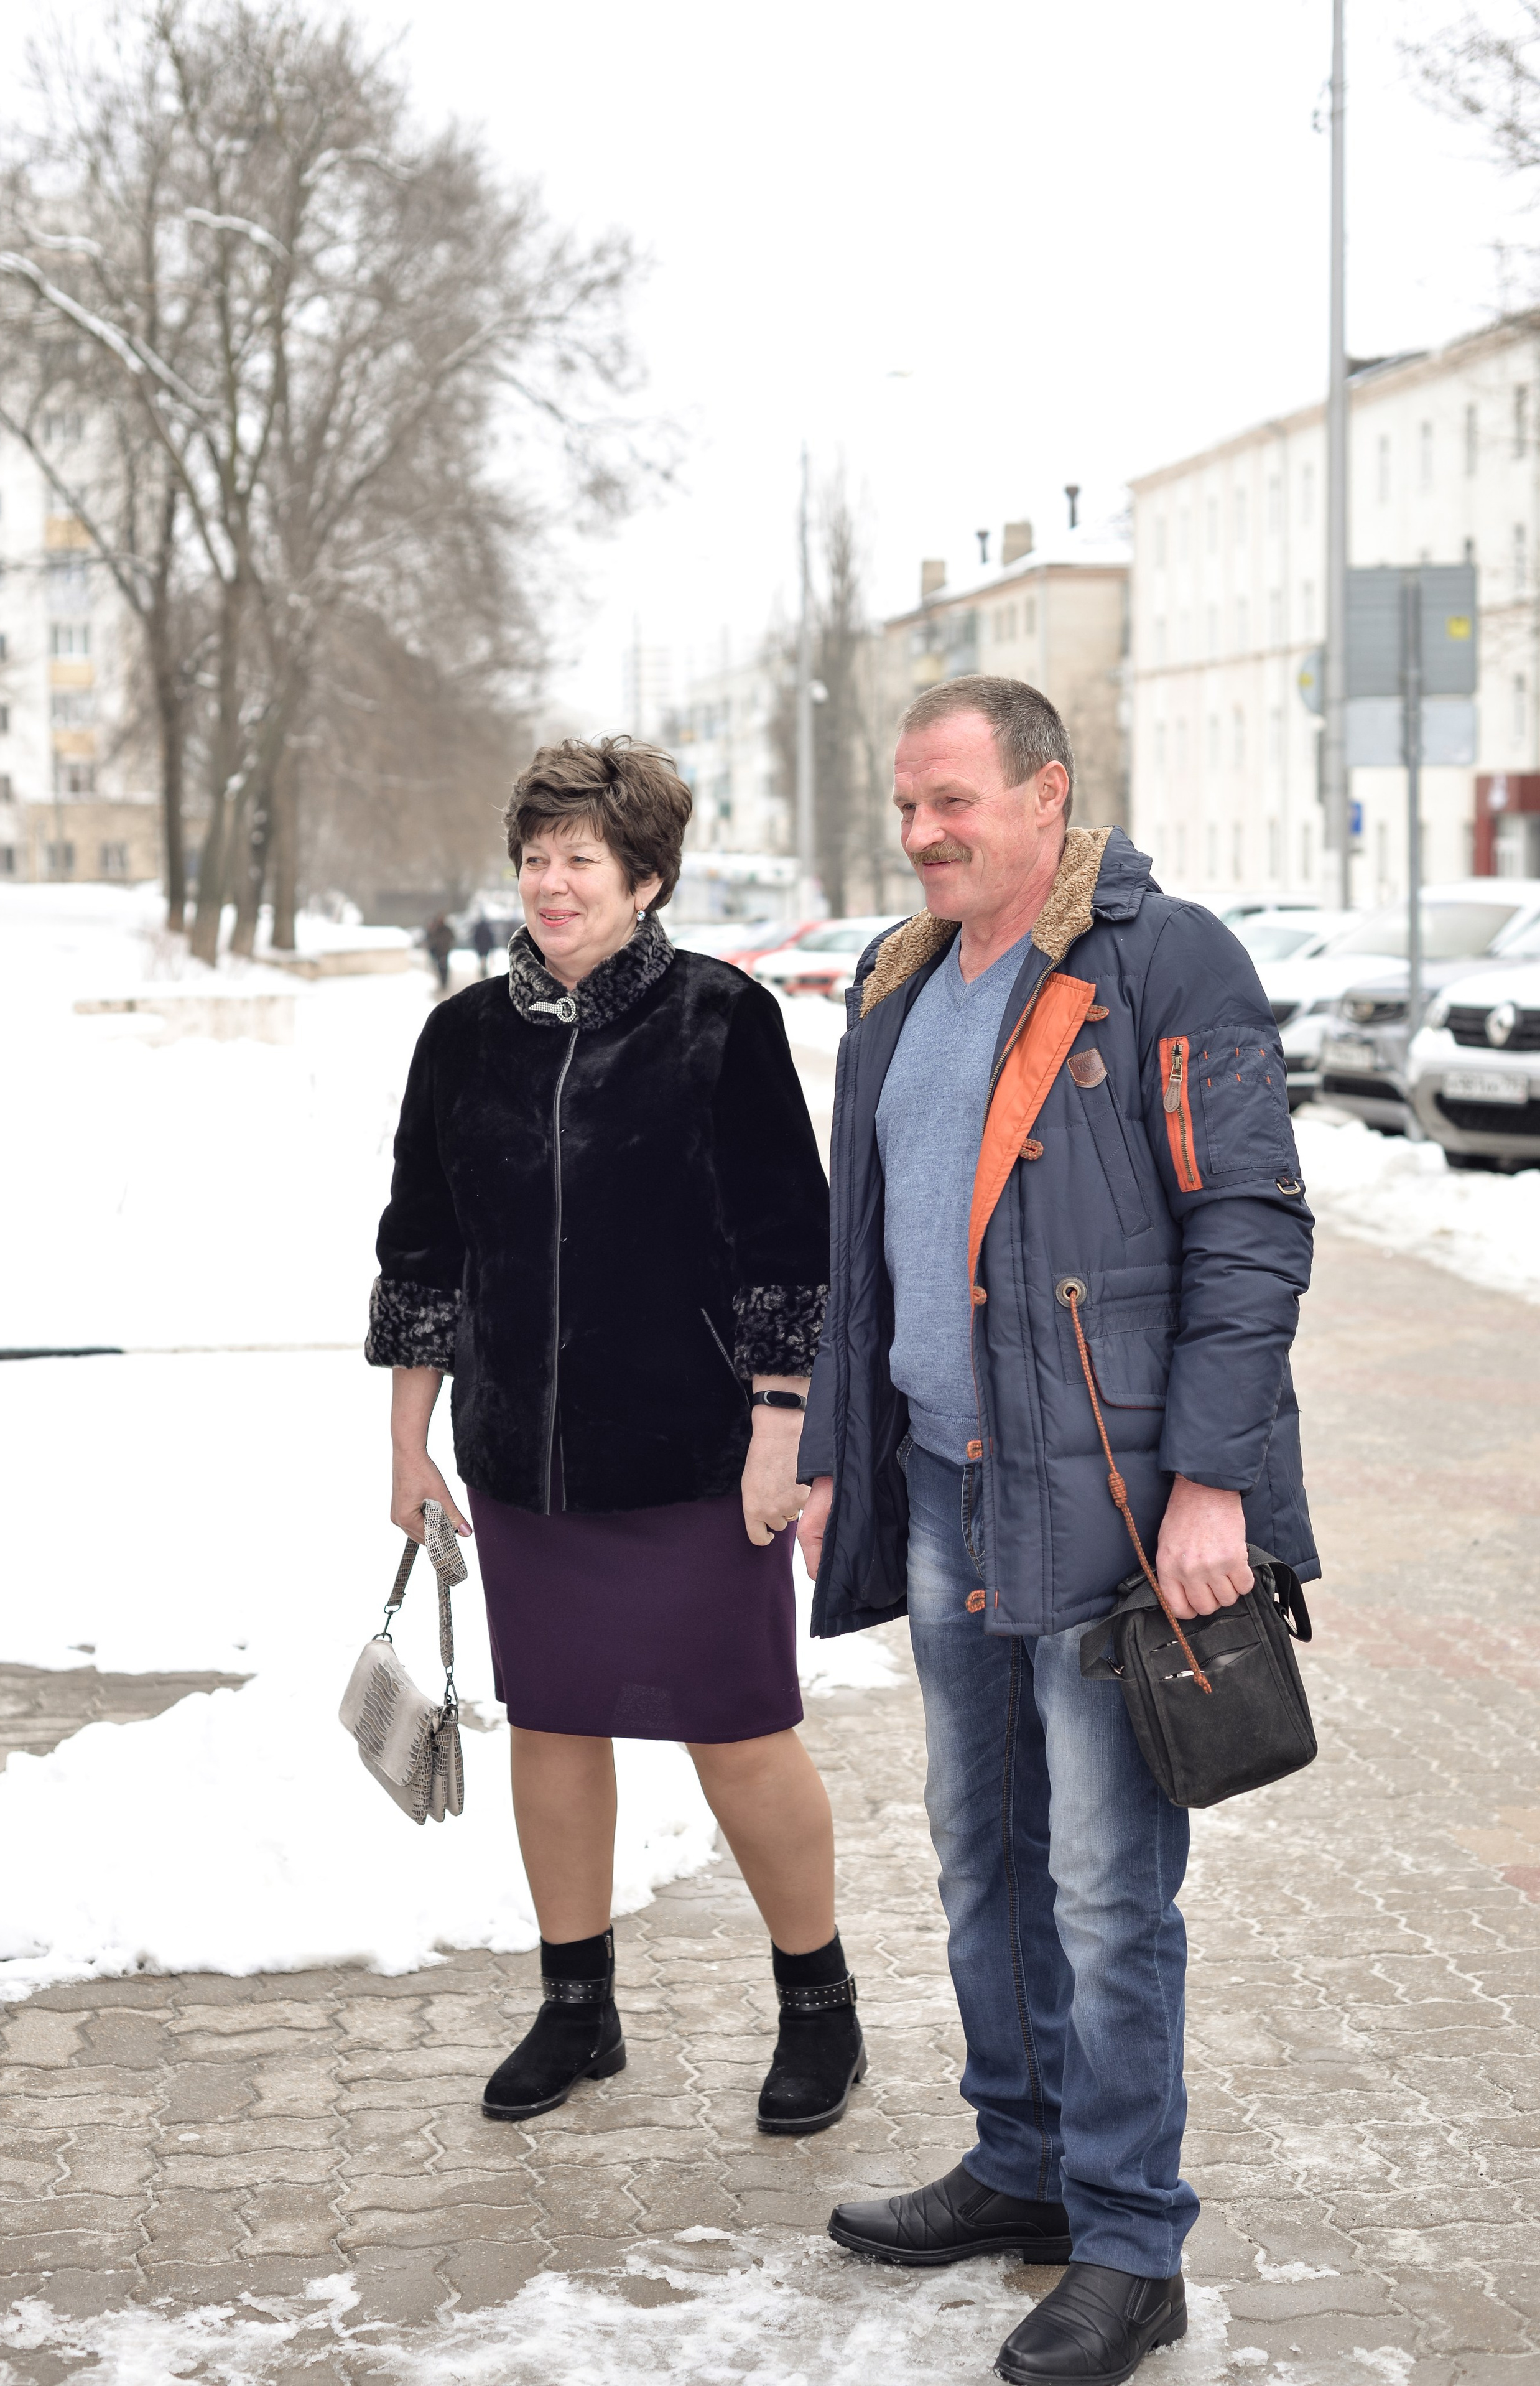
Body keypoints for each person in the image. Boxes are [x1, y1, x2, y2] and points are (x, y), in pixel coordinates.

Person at [797, 678, 1317, 2386]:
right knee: (979, 1858)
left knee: (1107, 1889)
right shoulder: (893, 985)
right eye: (907, 806)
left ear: (1047, 796)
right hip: (946, 1487)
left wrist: (1217, 1484)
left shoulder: (1165, 965)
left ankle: (1127, 2242)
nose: (927, 833)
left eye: (954, 800)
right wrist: (830, 1457)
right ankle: (1018, 2158)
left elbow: (1249, 1228)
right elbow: (860, 1251)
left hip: (1105, 1500)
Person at [368, 735, 865, 2135]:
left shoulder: (721, 1019)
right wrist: (411, 1447)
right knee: (555, 1722)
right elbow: (423, 1254)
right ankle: (576, 2007)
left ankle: (819, 2009)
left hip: (697, 1457)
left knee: (740, 1730)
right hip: (523, 1458)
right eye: (533, 858)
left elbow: (787, 1249)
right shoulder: (461, 1037)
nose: (550, 882)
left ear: (644, 877)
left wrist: (779, 1429)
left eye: (580, 858)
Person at [423, 912, 456, 992]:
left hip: (444, 951)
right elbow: (431, 939)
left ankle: (444, 982)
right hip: (438, 952)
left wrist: (447, 946)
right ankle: (442, 982)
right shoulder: (436, 929)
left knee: (444, 967)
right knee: (440, 967)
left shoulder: (447, 929)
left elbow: (452, 938)